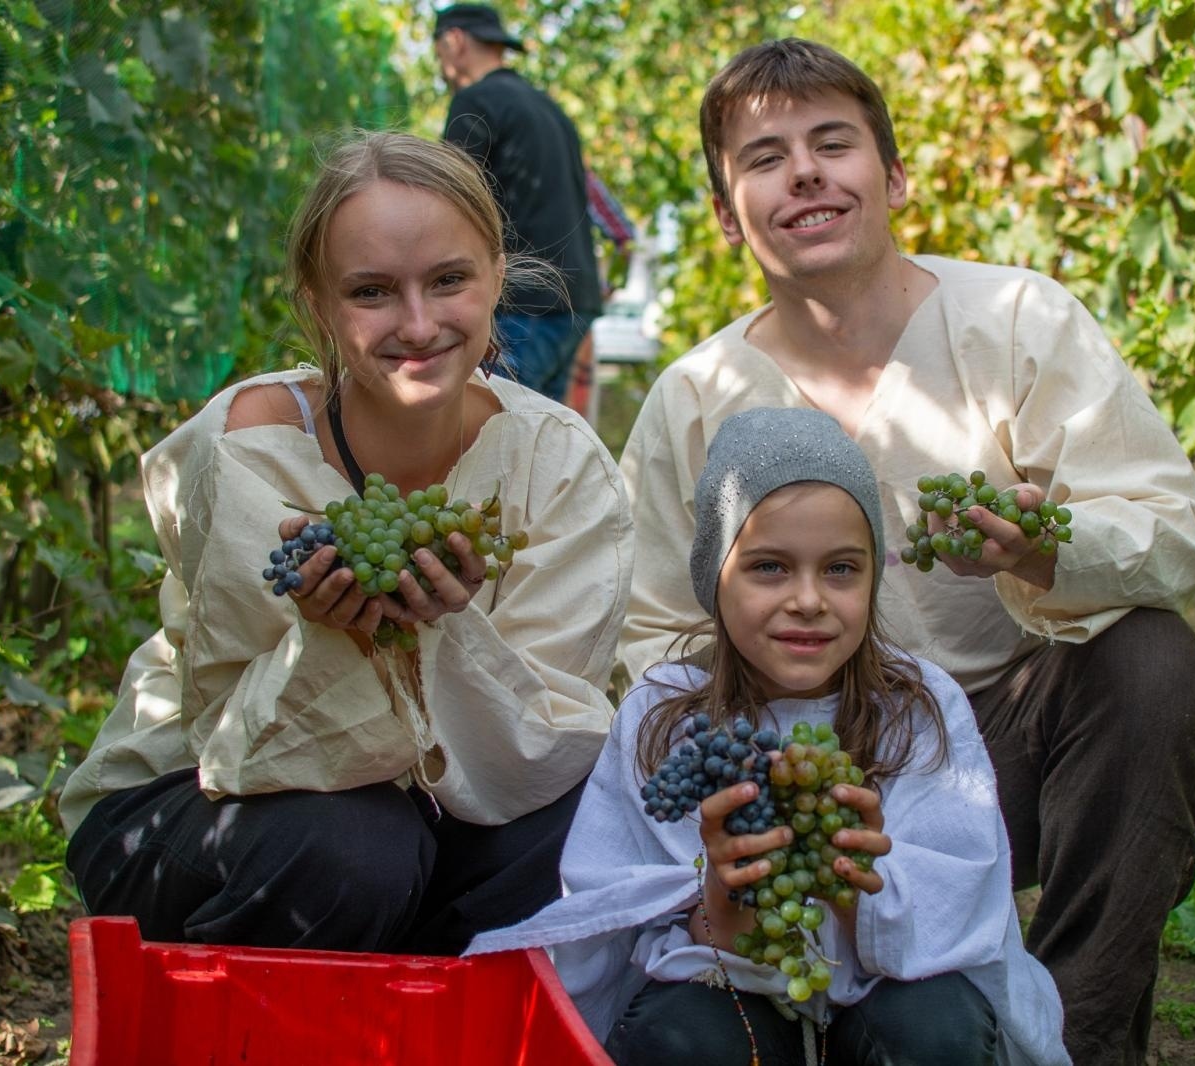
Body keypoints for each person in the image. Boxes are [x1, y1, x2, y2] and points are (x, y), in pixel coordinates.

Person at [617, 38, 1195, 1066]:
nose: (804, 173)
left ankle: (1081, 1033)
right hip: (804, 757)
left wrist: (1041, 549)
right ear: (726, 213)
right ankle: (802, 996)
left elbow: (1174, 531)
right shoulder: (695, 397)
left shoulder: (1018, 323)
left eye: (832, 144)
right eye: (764, 158)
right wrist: (763, 757)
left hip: (1003, 750)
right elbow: (650, 634)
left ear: (893, 176)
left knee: (1153, 667)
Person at [58, 131, 633, 956]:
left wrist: (448, 632)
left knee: (589, 827)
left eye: (449, 280)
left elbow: (544, 751)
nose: (418, 323)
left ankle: (411, 1011)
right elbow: (238, 749)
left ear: (497, 276)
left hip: (432, 818)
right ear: (319, 306)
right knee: (354, 850)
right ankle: (240, 1013)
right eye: (371, 292)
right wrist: (334, 635)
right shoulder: (250, 451)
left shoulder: (559, 463)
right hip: (204, 808)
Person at [471, 407, 1069, 1066]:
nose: (808, 599)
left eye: (840, 569)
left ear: (873, 577)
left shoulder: (917, 707)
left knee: (938, 1030)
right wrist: (722, 900)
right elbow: (615, 905)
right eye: (770, 568)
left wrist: (857, 884)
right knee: (683, 1038)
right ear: (715, 576)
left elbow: (961, 902)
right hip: (733, 997)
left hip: (889, 1002)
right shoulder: (663, 715)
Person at [432, 3, 603, 403]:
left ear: (454, 41)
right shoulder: (549, 108)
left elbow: (448, 202)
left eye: (438, 52)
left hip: (523, 303)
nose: (440, 66)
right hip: (574, 301)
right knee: (539, 430)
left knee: (496, 425)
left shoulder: (476, 101)